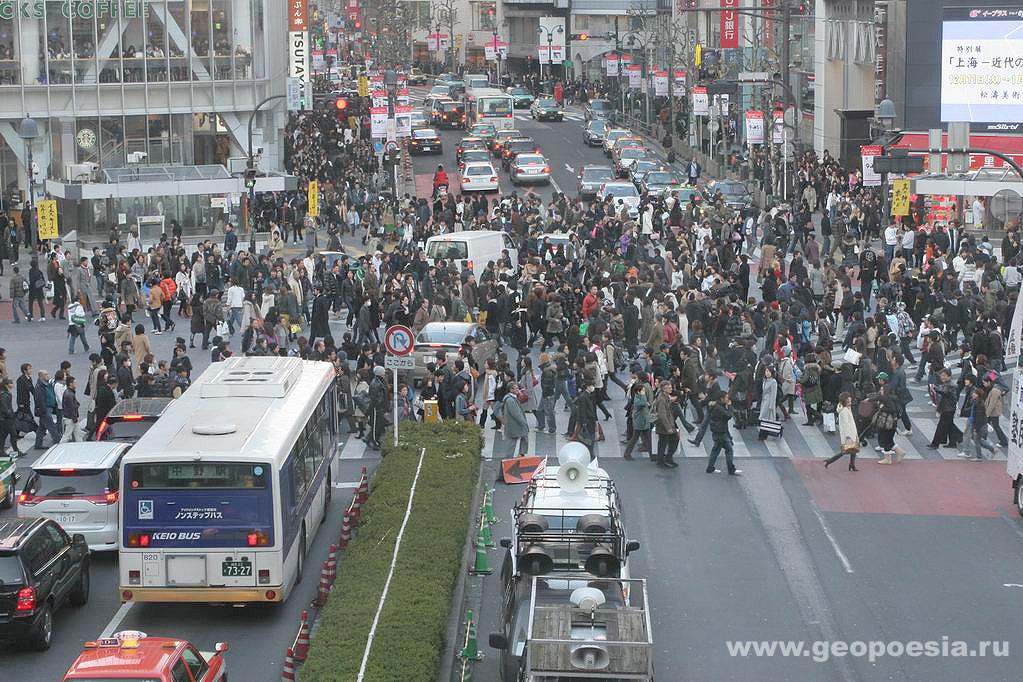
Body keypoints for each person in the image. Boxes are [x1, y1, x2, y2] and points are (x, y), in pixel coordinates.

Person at [706, 393, 741, 475]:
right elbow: (728, 415)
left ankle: (710, 468)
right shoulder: (719, 408)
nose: (727, 399)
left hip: (717, 431)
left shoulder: (716, 406)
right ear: (721, 399)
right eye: (726, 398)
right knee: (729, 450)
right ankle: (731, 469)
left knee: (716, 450)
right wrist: (729, 406)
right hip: (720, 432)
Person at [824, 393, 858, 470]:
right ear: (844, 401)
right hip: (849, 434)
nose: (850, 403)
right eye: (848, 402)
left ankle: (852, 465)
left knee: (853, 450)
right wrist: (848, 436)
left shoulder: (845, 408)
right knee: (845, 451)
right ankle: (829, 461)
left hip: (851, 432)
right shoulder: (844, 411)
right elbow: (846, 424)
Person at [621, 381, 651, 460]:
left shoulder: (639, 398)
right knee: (634, 439)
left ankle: (652, 454)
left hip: (644, 422)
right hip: (639, 423)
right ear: (638, 392)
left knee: (648, 439)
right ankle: (627, 454)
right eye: (643, 391)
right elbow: (643, 403)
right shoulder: (638, 399)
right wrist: (645, 399)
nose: (644, 392)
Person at [653, 381, 679, 468]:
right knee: (664, 442)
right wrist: (668, 428)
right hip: (663, 426)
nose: (671, 389)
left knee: (667, 441)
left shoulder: (665, 397)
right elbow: (662, 415)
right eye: (669, 387)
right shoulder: (661, 399)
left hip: (668, 424)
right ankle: (662, 460)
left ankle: (666, 458)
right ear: (664, 389)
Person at [499, 381, 530, 457]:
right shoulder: (510, 400)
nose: (518, 390)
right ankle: (509, 458)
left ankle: (521, 454)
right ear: (511, 390)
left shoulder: (512, 398)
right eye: (516, 388)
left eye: (518, 388)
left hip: (514, 425)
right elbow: (516, 414)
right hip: (514, 425)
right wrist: (524, 423)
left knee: (524, 437)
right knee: (512, 443)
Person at [0, 378, 22, 456]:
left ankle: (1, 451)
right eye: (11, 383)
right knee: (13, 433)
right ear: (6, 384)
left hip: (3, 418)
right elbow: (4, 407)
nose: (12, 384)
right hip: (6, 418)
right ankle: (16, 451)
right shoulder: (4, 394)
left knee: (3, 435)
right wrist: (10, 414)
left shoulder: (5, 393)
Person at [60, 375, 84, 443]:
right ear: (70, 384)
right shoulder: (69, 394)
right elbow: (71, 408)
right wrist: (74, 418)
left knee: (77, 434)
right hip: (71, 418)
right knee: (67, 435)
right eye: (74, 382)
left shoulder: (69, 392)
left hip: (71, 417)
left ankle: (80, 445)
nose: (76, 384)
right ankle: (60, 446)